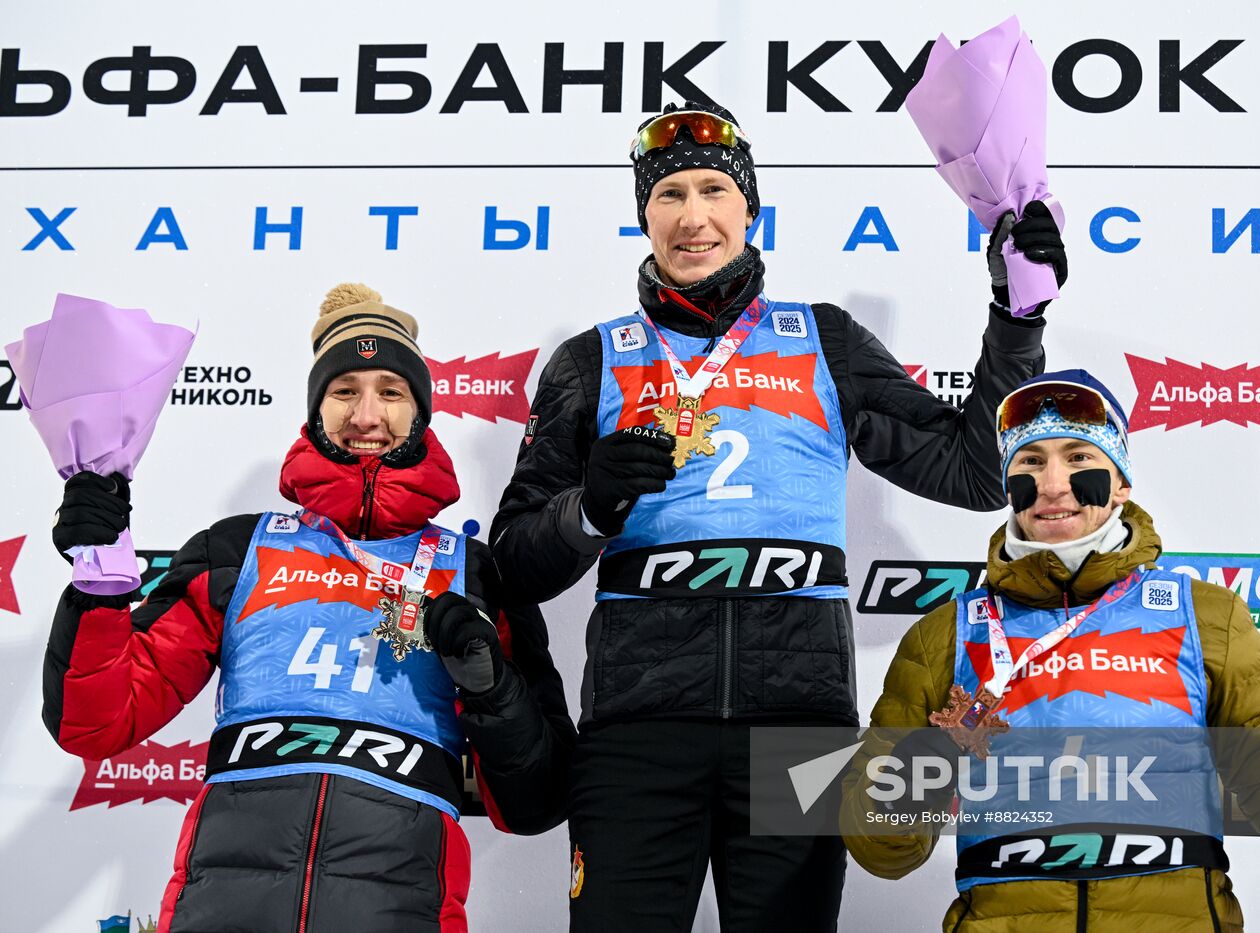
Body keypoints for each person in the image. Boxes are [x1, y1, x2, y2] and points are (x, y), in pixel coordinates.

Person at [489, 101, 1066, 931]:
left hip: (799, 731)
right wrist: (593, 507)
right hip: (638, 733)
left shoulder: (820, 338)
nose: (693, 217)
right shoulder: (591, 360)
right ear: (643, 216)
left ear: (749, 209)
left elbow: (976, 472)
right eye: (670, 195)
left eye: (715, 190)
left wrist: (1018, 318)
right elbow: (512, 562)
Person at [43, 284, 576, 933]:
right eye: (344, 389)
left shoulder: (474, 573)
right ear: (315, 408)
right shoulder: (237, 549)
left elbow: (535, 802)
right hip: (226, 908)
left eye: (391, 390)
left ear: (422, 410)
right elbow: (94, 724)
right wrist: (98, 591)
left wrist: (492, 689)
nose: (367, 414)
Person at [840, 370, 1260, 931]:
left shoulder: (1203, 615)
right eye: (1030, 462)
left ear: (1121, 482)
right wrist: (924, 761)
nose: (1054, 485)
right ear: (1006, 484)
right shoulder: (946, 634)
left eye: (1080, 459)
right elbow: (880, 848)